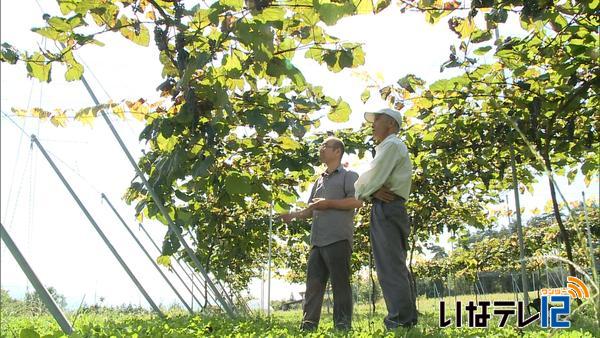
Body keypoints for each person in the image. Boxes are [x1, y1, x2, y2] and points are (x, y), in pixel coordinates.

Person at [280, 136, 362, 331]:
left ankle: (342, 325)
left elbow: (356, 202)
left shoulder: (349, 176)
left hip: (338, 238)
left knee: (340, 284)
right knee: (313, 285)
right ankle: (308, 325)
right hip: (317, 241)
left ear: (337, 152)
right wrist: (293, 215)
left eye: (326, 146)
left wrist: (329, 203)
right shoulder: (319, 180)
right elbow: (311, 209)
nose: (321, 149)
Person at [354, 108, 418, 329]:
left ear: (390, 124)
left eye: (378, 120)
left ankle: (400, 320)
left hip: (388, 207)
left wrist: (364, 189)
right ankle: (406, 318)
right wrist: (372, 191)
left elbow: (368, 178)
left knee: (389, 266)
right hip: (389, 206)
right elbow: (374, 182)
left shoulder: (391, 144)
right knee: (393, 264)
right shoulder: (389, 146)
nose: (373, 124)